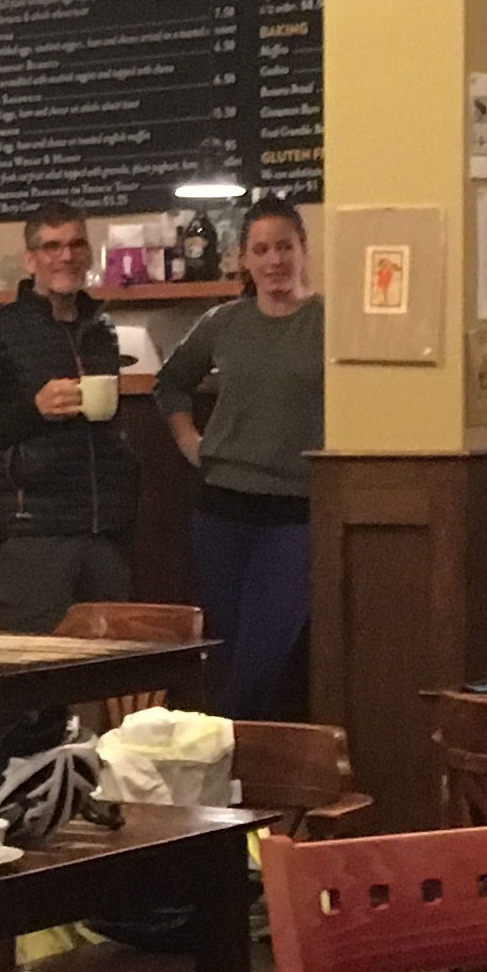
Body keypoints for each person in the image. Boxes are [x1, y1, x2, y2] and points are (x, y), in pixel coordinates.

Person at [153, 195, 324, 716]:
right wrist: (189, 440)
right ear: (244, 259)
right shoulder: (223, 322)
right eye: (262, 250)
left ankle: (217, 743)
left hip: (297, 512)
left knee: (262, 658)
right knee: (229, 654)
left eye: (284, 247)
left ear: (304, 249)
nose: (274, 260)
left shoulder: (329, 322)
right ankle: (243, 756)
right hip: (222, 510)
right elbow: (170, 384)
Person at [0, 204, 139, 631]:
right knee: (35, 660)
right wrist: (34, 409)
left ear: (88, 253)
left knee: (110, 661)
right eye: (51, 247)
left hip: (104, 530)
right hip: (33, 534)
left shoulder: (102, 329)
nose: (65, 256)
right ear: (30, 259)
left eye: (75, 245)